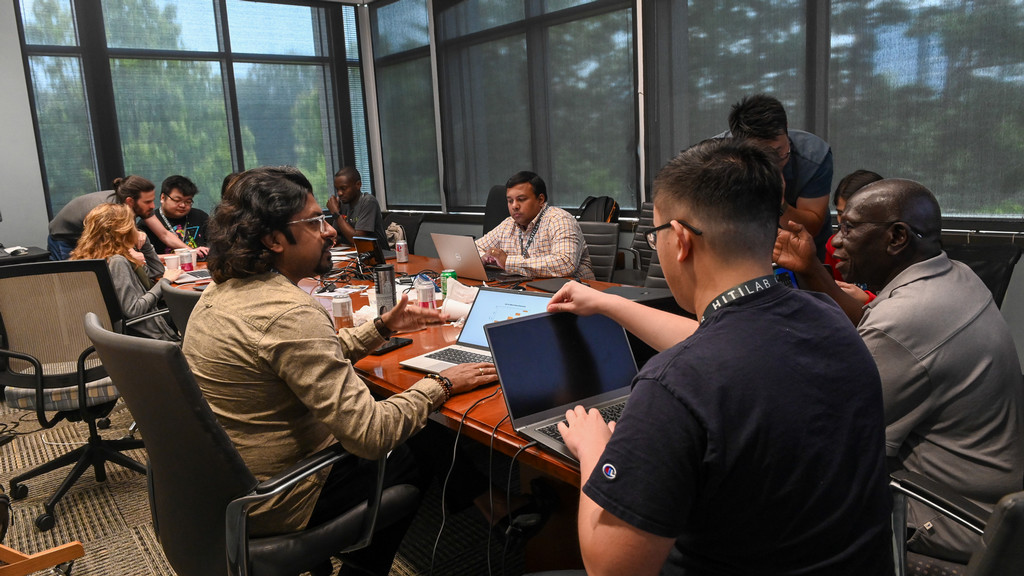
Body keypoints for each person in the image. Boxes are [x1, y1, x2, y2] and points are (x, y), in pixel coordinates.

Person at [545, 138, 893, 575]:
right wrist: (606, 303)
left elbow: (610, 567)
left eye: (655, 238)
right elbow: (724, 345)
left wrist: (594, 449)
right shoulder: (828, 318)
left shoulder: (672, 386)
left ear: (679, 240)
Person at [181, 166, 497, 576]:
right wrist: (441, 383)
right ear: (273, 240)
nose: (330, 230)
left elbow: (303, 359)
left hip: (226, 486)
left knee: (413, 419)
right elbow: (371, 435)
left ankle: (490, 506)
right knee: (412, 446)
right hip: (277, 496)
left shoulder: (220, 291)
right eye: (315, 222)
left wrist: (382, 327)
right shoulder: (289, 313)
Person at [773, 178, 1024, 562]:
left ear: (896, 238)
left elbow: (824, 433)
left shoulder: (905, 321)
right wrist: (810, 271)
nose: (836, 241)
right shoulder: (954, 277)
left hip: (948, 520)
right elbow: (874, 333)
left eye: (850, 228)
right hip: (989, 501)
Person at [722, 94, 834, 260]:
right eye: (760, 155)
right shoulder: (716, 159)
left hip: (803, 253)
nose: (771, 163)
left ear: (786, 128)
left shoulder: (813, 157)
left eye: (777, 152)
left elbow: (810, 228)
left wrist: (780, 203)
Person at [70, 203, 180, 341]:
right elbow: (133, 310)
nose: (136, 229)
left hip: (123, 337)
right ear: (122, 231)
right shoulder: (117, 262)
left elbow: (156, 271)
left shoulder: (92, 257)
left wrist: (146, 246)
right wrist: (165, 282)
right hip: (149, 338)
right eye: (132, 225)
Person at [476, 171, 595, 280]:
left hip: (576, 292)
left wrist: (508, 262)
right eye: (510, 201)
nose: (514, 206)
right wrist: (485, 257)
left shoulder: (559, 219)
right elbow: (475, 249)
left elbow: (565, 263)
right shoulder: (508, 224)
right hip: (529, 288)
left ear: (540, 200)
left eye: (521, 199)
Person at [47, 175, 166, 280]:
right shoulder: (111, 210)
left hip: (90, 238)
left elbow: (164, 234)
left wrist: (184, 249)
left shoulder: (137, 205)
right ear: (130, 201)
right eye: (147, 202)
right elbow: (127, 250)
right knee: (75, 280)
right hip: (65, 237)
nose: (152, 205)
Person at [825, 169, 883, 304]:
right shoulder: (834, 247)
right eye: (840, 214)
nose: (844, 223)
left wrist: (868, 300)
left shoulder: (895, 249)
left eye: (853, 216)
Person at [141, 175, 210, 258]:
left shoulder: (200, 217)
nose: (182, 205)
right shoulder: (147, 222)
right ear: (163, 198)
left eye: (188, 201)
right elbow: (145, 258)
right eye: (177, 200)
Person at [326, 167, 387, 249]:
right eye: (337, 189)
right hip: (352, 252)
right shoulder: (343, 203)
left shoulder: (368, 201)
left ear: (358, 185)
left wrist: (336, 213)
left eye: (343, 188)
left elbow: (356, 240)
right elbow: (336, 235)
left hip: (378, 255)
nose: (339, 193)